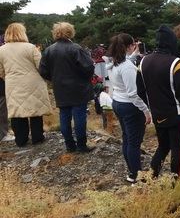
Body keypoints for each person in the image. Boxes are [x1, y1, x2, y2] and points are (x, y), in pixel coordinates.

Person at [140, 26, 180, 179]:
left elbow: (140, 90)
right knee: (178, 150)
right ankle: (175, 183)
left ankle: (152, 176)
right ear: (172, 42)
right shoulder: (176, 63)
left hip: (158, 114)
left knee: (163, 147)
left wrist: (151, 106)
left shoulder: (144, 61)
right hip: (177, 115)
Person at [39, 22, 95, 152]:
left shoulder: (48, 50)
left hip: (60, 88)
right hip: (78, 88)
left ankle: (69, 145)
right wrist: (84, 78)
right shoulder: (76, 48)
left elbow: (43, 71)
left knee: (64, 116)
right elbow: (88, 68)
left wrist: (54, 79)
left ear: (55, 33)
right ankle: (81, 145)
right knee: (79, 116)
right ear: (70, 32)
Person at [108, 33, 151, 183]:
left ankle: (132, 169)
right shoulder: (127, 68)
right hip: (130, 106)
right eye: (133, 44)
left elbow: (126, 62)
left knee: (127, 139)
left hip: (118, 102)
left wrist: (133, 55)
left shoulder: (113, 62)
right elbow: (133, 94)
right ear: (128, 47)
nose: (135, 46)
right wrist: (145, 110)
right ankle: (135, 174)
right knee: (134, 143)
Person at [0, 23, 52, 147]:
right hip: (33, 83)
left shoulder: (1, 50)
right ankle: (37, 137)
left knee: (17, 112)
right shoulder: (31, 48)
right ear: (22, 33)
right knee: (35, 110)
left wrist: (9, 77)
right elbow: (41, 66)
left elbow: (1, 71)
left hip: (12, 84)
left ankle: (21, 140)